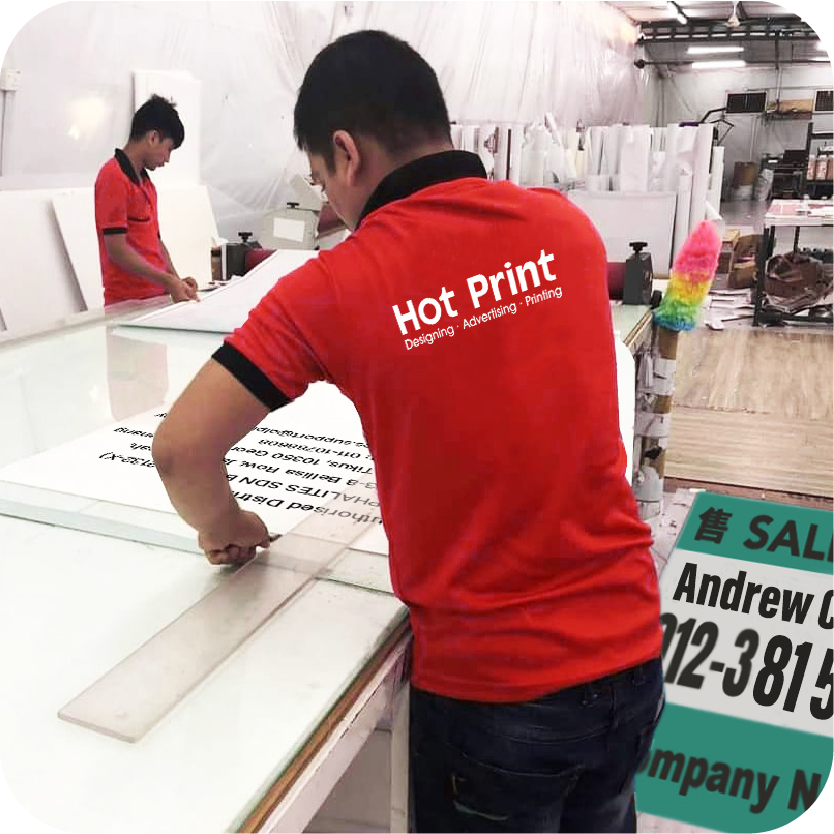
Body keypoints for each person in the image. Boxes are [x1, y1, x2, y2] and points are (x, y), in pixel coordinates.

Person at [152, 30, 663, 834]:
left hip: (497, 699)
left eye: (320, 177)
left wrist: (230, 524)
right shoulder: (564, 228)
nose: (327, 199)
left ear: (345, 154)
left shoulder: (335, 287)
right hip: (632, 657)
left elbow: (181, 449)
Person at [95, 94, 198, 306]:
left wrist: (177, 281)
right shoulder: (113, 177)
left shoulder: (147, 185)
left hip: (156, 298)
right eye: (168, 149)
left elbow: (156, 243)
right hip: (127, 303)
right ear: (152, 138)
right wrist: (167, 280)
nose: (167, 159)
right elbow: (117, 249)